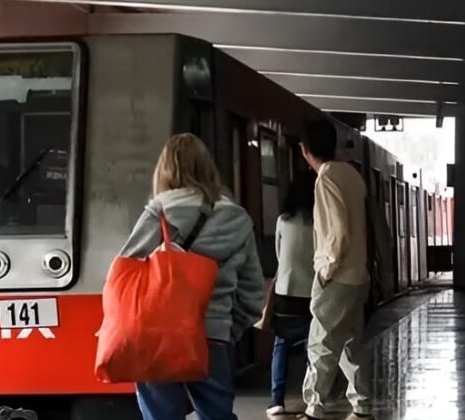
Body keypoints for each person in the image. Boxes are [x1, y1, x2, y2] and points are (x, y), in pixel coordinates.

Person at [118, 133, 265, 420]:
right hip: (213, 336)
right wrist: (226, 330)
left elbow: (125, 273)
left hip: (157, 334)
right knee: (217, 416)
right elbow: (253, 292)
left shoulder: (158, 212)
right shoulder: (238, 219)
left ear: (164, 170)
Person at [299, 120, 373, 420]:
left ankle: (313, 408)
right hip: (359, 276)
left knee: (322, 343)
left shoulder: (326, 178)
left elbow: (338, 232)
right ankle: (362, 403)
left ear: (304, 150)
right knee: (351, 343)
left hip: (338, 276)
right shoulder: (352, 174)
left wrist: (326, 271)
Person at [267, 171, 317, 416]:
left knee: (281, 345)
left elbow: (279, 256)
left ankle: (277, 400)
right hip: (312, 292)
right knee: (313, 346)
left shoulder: (282, 221)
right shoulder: (319, 222)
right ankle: (312, 399)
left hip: (285, 291)